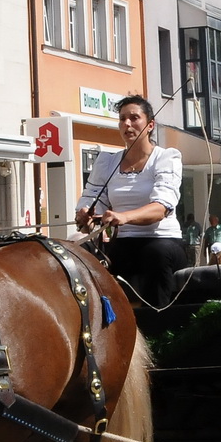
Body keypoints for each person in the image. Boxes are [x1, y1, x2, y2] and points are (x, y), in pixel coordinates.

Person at [76, 95, 187, 307]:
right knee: (79, 253)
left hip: (163, 241)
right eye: (122, 119)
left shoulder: (166, 158)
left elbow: (161, 208)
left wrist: (124, 216)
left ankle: (157, 323)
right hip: (123, 243)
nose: (127, 124)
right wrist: (86, 215)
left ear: (150, 125)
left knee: (155, 253)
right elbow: (92, 199)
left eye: (134, 118)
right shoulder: (107, 161)